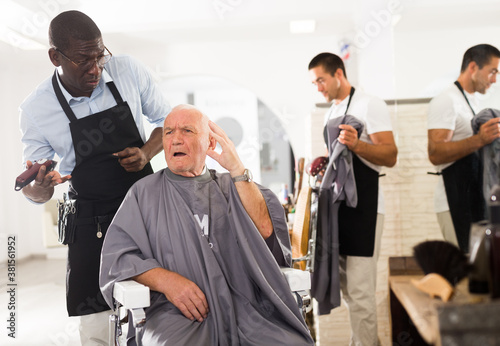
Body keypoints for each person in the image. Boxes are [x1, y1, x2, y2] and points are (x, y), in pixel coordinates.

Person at [99, 104, 314, 345]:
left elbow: (266, 231)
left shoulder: (234, 186)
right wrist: (167, 281)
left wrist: (237, 169)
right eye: (169, 132)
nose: (176, 139)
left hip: (249, 309)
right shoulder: (143, 194)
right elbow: (118, 258)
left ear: (210, 144)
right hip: (174, 314)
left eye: (187, 131)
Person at [19, 10, 170, 345]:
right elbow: (35, 189)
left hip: (146, 208)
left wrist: (146, 152)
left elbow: (168, 122)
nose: (95, 68)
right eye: (83, 59)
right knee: (97, 322)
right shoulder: (36, 109)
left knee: (160, 304)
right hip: (90, 222)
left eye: (100, 56)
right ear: (55, 56)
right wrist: (39, 187)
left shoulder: (127, 70)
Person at [308, 52, 398, 346]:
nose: (318, 86)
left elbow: (390, 155)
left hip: (367, 210)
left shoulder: (370, 104)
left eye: (321, 79)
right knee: (347, 290)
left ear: (338, 74)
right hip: (338, 210)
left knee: (360, 292)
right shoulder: (329, 112)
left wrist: (357, 144)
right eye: (314, 82)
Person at [427, 44, 500, 252]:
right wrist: (480, 139)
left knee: (481, 270)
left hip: (473, 199)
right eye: (492, 71)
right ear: (473, 67)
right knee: (467, 273)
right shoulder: (446, 101)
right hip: (453, 201)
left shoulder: (473, 102)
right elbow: (435, 153)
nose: (495, 79)